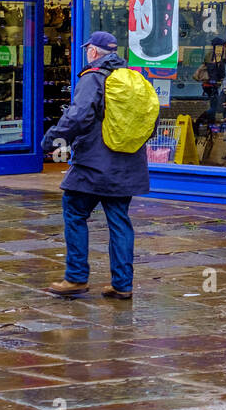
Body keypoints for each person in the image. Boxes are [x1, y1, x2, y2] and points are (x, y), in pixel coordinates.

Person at [42, 31, 149, 300]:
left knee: (75, 212)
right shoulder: (133, 79)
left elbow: (78, 116)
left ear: (93, 52)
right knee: (120, 221)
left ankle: (76, 278)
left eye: (87, 48)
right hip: (127, 162)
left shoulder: (93, 78)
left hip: (93, 163)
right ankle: (123, 284)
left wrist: (54, 137)